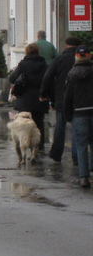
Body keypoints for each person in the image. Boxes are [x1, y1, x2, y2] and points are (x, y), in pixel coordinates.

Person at [40, 36, 81, 163]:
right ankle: (77, 157)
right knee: (76, 127)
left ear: (66, 45)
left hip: (61, 98)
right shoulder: (82, 59)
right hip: (79, 99)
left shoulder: (59, 59)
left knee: (60, 126)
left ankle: (56, 153)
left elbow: (48, 77)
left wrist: (43, 94)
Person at [9, 43, 49, 151]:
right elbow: (49, 80)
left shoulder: (23, 64)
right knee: (39, 123)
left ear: (27, 52)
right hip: (40, 98)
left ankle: (25, 145)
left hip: (25, 99)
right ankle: (39, 146)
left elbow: (12, 78)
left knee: (24, 124)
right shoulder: (44, 65)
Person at [64, 45, 93, 188]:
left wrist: (68, 116)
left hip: (79, 113)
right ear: (89, 56)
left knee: (81, 145)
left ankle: (84, 177)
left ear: (76, 57)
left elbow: (68, 97)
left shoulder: (72, 74)